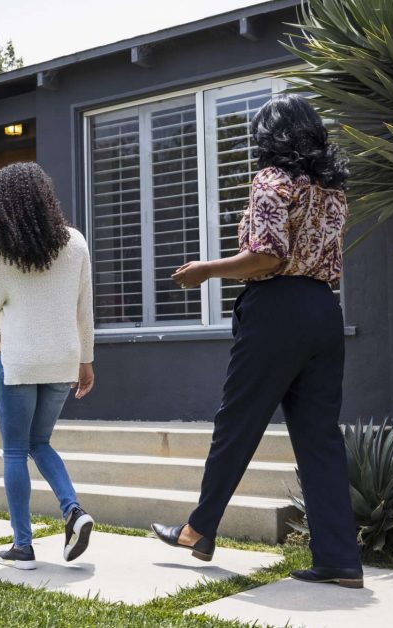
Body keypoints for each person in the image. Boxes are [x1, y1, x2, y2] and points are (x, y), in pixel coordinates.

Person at [150, 94, 363, 589]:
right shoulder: (333, 190)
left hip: (277, 311)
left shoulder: (271, 181)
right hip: (323, 310)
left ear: (271, 136)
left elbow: (267, 257)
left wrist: (206, 271)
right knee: (320, 437)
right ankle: (339, 559)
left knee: (237, 423)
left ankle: (198, 530)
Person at [0, 162, 96, 571]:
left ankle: (23, 546)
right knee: (39, 442)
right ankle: (73, 510)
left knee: (14, 450)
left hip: (21, 362)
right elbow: (85, 310)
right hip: (63, 359)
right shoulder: (76, 242)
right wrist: (86, 359)